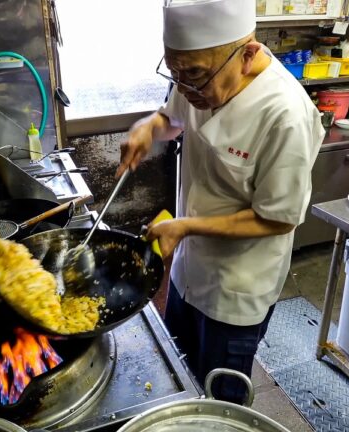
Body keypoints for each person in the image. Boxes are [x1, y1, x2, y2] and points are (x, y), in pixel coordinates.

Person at [117, 0, 325, 403]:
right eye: (174, 71)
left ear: (248, 54)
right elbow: (171, 118)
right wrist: (148, 127)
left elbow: (279, 219)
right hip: (187, 269)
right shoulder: (195, 78)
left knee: (219, 400)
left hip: (237, 289)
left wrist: (186, 226)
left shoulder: (286, 115)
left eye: (194, 75)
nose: (185, 86)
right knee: (178, 379)